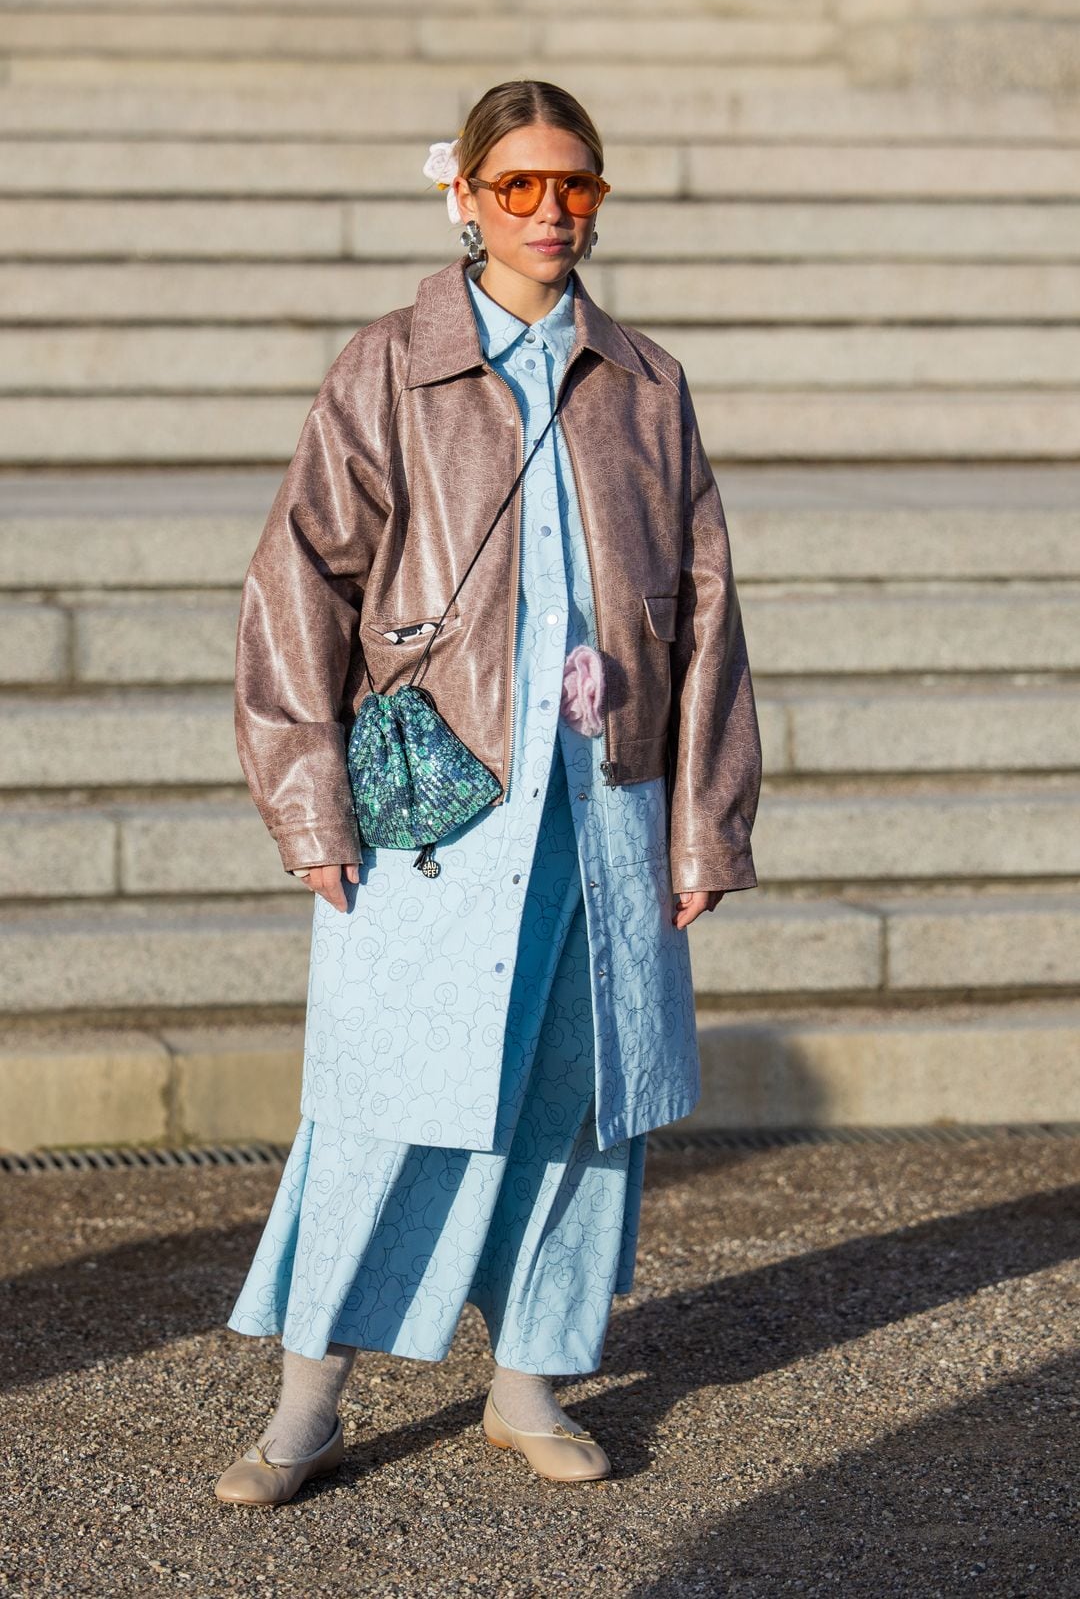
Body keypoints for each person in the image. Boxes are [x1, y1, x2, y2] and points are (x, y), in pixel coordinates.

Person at [214, 78, 762, 1507]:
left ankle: (529, 1386)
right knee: (382, 1100)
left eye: (573, 184)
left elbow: (704, 608)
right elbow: (294, 588)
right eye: (516, 186)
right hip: (439, 808)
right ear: (461, 196)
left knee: (586, 1105)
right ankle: (306, 1404)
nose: (549, 212)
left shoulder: (644, 380)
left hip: (607, 801)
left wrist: (706, 821)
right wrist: (308, 804)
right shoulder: (388, 366)